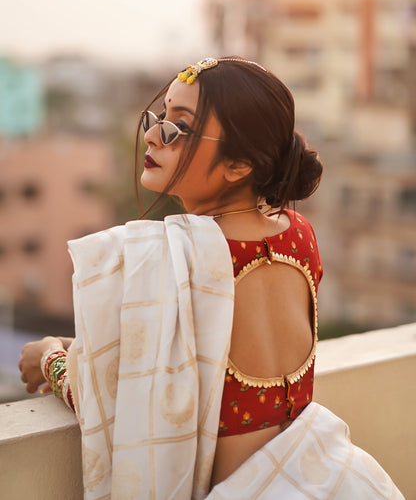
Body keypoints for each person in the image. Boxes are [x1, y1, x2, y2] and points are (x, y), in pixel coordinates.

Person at [19, 57, 403, 499]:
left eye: (178, 128)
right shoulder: (298, 233)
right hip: (331, 477)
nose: (152, 135)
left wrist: (50, 359)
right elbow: (191, 355)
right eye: (159, 117)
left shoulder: (181, 260)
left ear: (238, 164)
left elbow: (118, 400)